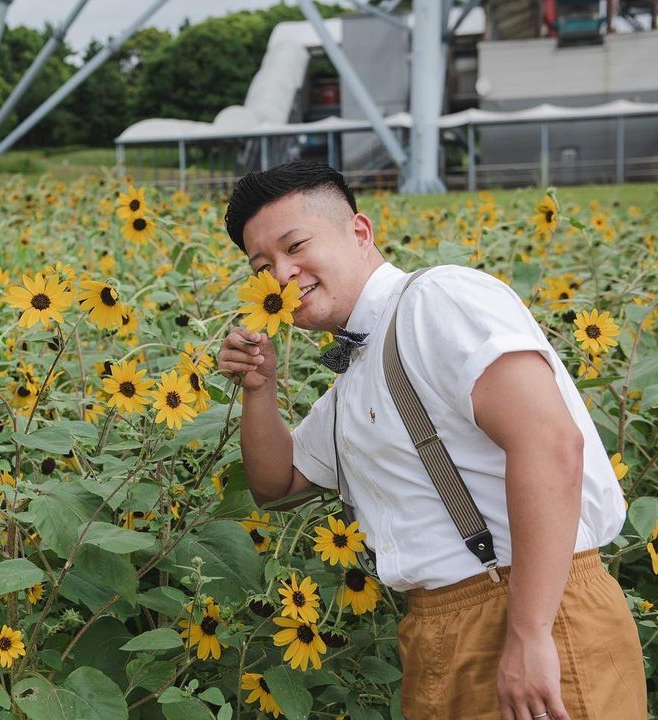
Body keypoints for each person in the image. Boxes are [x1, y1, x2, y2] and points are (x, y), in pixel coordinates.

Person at [217, 160, 645, 720]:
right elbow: (278, 484)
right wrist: (258, 388)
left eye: (295, 245)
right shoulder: (356, 375)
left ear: (360, 231)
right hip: (436, 630)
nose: (281, 274)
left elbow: (548, 442)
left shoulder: (436, 301)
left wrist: (531, 632)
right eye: (263, 266)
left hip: (534, 609)